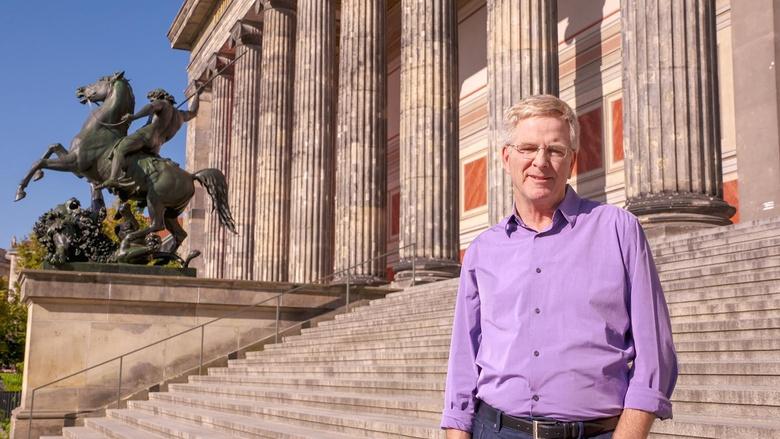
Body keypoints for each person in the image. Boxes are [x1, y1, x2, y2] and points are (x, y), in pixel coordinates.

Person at [441, 95, 677, 439]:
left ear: (573, 161)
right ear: (507, 158)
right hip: (496, 430)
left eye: (555, 150)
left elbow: (656, 354)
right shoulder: (482, 251)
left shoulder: (618, 229)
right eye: (527, 148)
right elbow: (464, 361)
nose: (540, 161)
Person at [97, 87, 200, 190]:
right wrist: (197, 94)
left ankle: (113, 178)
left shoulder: (162, 103)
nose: (152, 101)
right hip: (157, 145)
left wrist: (134, 116)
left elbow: (150, 107)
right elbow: (193, 112)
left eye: (152, 99)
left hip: (147, 136)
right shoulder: (181, 115)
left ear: (158, 96)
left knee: (120, 149)